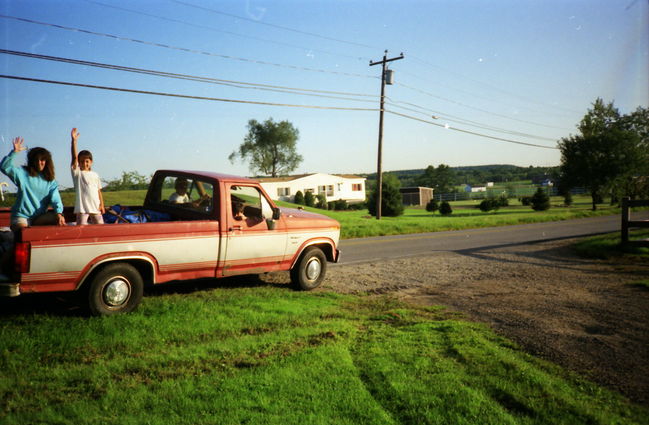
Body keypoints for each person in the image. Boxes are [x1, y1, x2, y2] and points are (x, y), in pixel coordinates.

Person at [0, 136, 65, 232]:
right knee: (24, 233)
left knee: (58, 218)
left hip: (38, 218)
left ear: (47, 162)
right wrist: (14, 153)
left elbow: (56, 199)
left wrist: (59, 213)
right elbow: (4, 167)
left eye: (42, 160)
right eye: (37, 160)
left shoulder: (50, 181)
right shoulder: (23, 174)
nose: (39, 163)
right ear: (32, 161)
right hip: (21, 217)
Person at [71, 128, 105, 225]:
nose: (84, 163)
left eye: (87, 161)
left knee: (101, 228)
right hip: (82, 209)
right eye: (81, 161)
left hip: (95, 208)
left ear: (91, 162)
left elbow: (99, 191)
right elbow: (74, 158)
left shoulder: (95, 175)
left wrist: (102, 205)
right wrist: (74, 142)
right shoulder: (77, 173)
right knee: (80, 230)